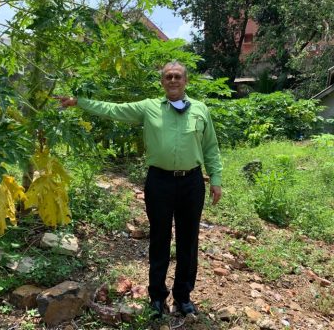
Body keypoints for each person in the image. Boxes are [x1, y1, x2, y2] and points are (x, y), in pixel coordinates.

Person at [58, 61, 222, 318]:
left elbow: (211, 146)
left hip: (191, 183)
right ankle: (157, 297)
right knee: (159, 238)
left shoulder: (200, 110)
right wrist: (79, 101)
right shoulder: (149, 108)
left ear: (185, 81)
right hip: (159, 182)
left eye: (178, 76)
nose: (173, 80)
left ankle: (183, 297)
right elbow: (113, 109)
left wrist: (216, 178)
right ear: (162, 82)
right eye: (168, 76)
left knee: (188, 241)